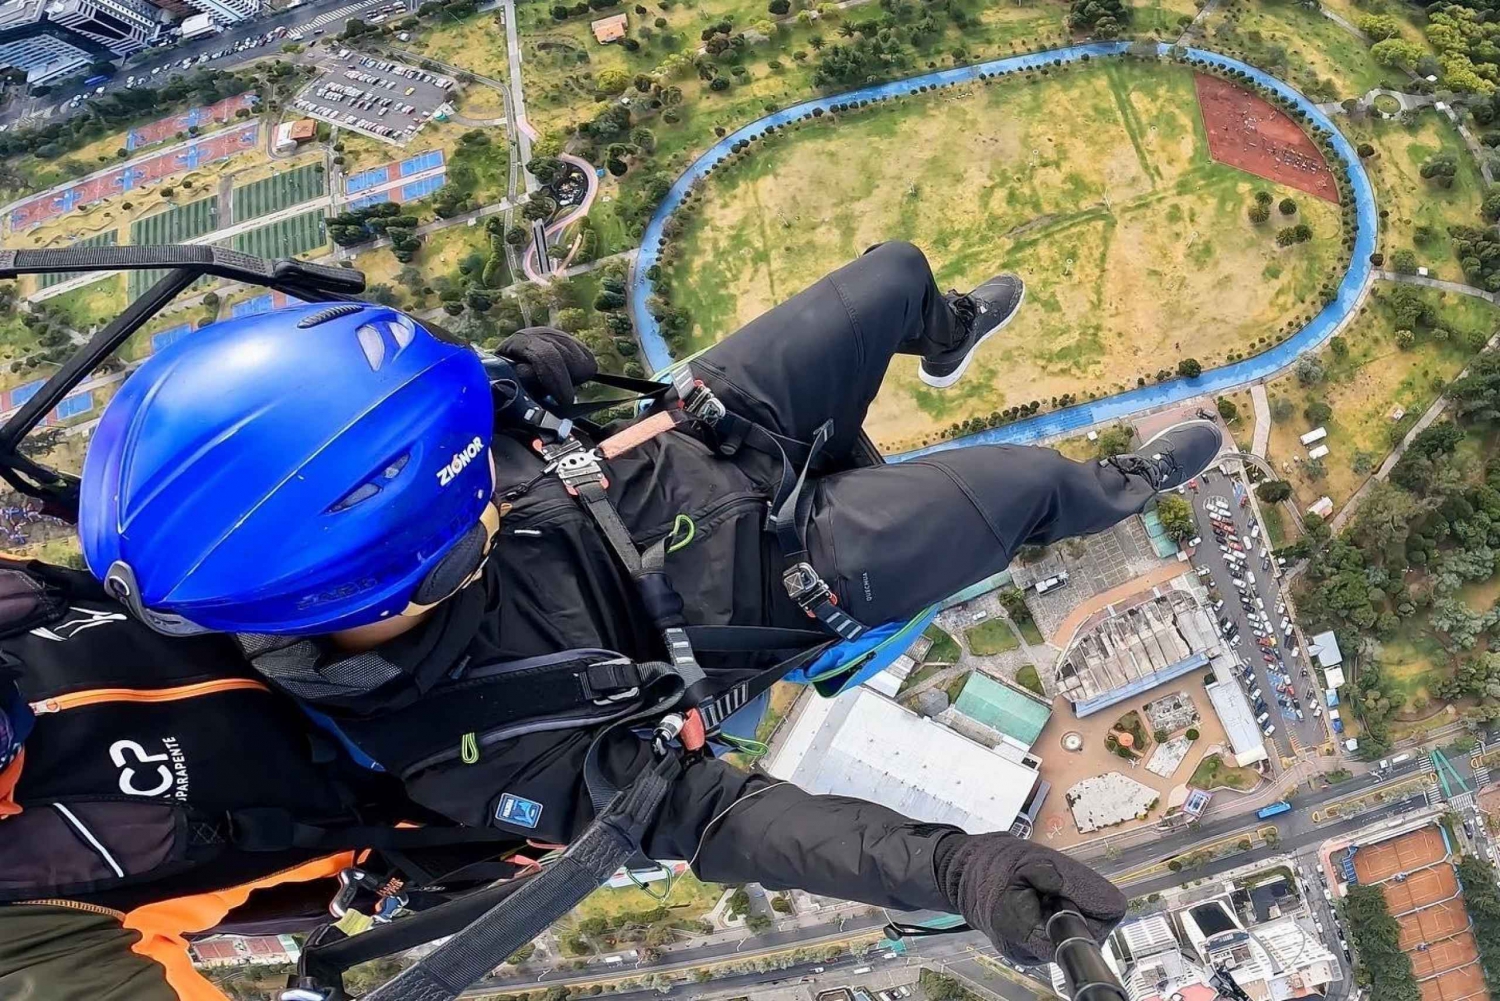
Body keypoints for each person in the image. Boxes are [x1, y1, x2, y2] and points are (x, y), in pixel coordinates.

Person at [12, 242, 1222, 997]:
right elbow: (728, 820)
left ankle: (940, 331)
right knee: (1019, 487)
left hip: (660, 463)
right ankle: (1118, 489)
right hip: (761, 580)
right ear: (416, 572)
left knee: (891, 278)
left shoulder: (129, 599)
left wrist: (500, 391)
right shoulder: (485, 761)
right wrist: (961, 865)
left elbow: (363, 470)